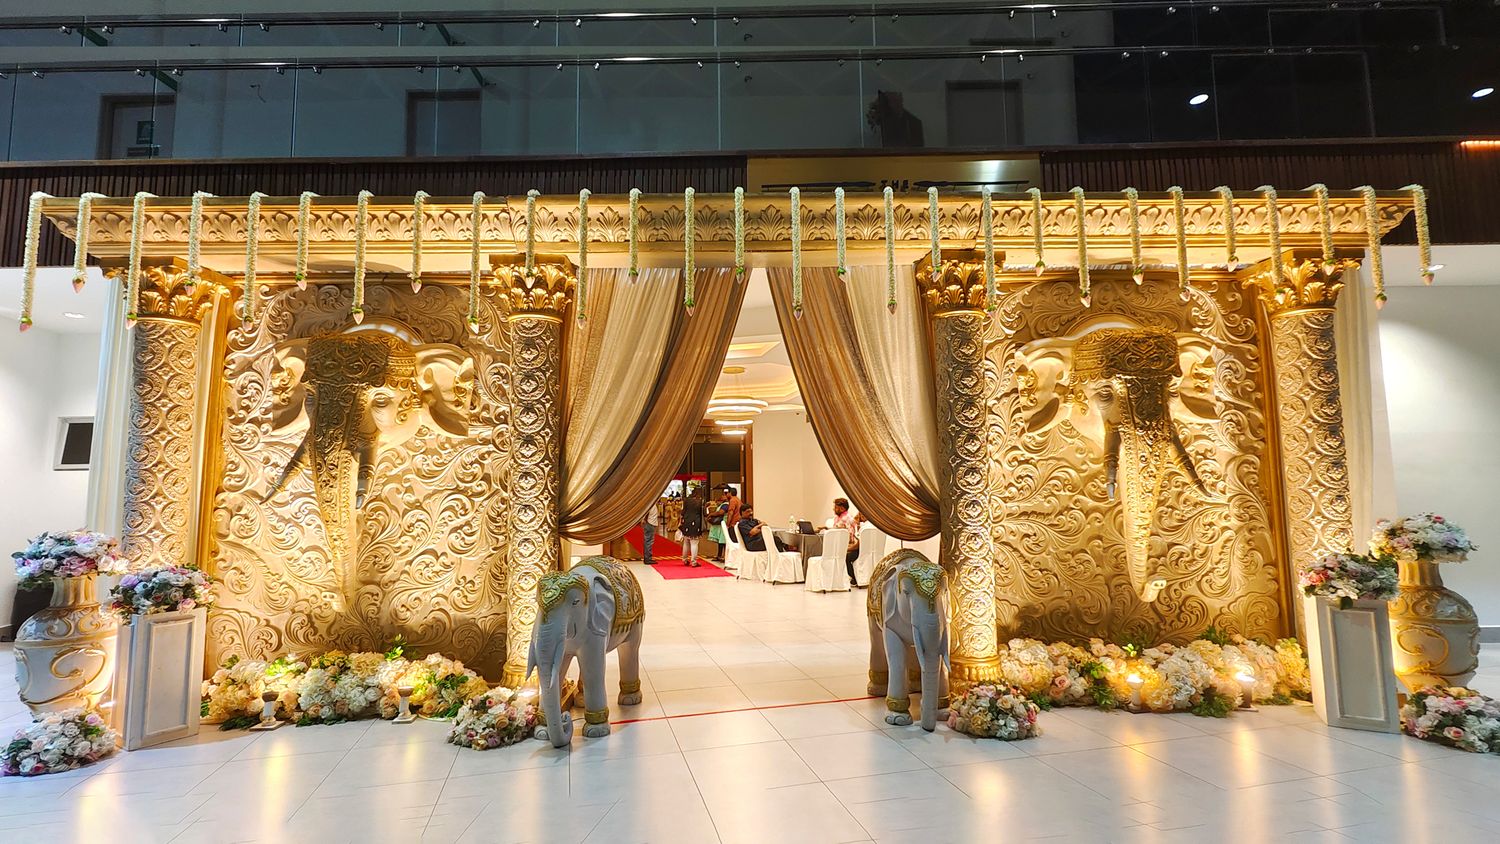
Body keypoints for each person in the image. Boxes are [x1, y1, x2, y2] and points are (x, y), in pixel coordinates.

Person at [679, 489, 707, 567]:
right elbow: (705, 513)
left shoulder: (686, 500)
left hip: (686, 522)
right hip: (696, 523)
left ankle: (684, 559)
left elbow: (682, 512)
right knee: (694, 542)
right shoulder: (700, 502)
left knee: (686, 542)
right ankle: (694, 561)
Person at [707, 486, 729, 562]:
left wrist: (711, 514)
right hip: (721, 525)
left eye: (723, 495)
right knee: (721, 541)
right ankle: (720, 555)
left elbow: (721, 512)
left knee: (723, 541)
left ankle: (724, 556)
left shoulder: (726, 505)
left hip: (723, 524)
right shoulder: (723, 504)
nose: (722, 496)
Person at [642, 500, 659, 565]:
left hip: (649, 523)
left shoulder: (649, 504)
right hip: (650, 524)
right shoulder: (651, 505)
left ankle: (647, 557)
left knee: (647, 541)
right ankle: (648, 558)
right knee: (649, 541)